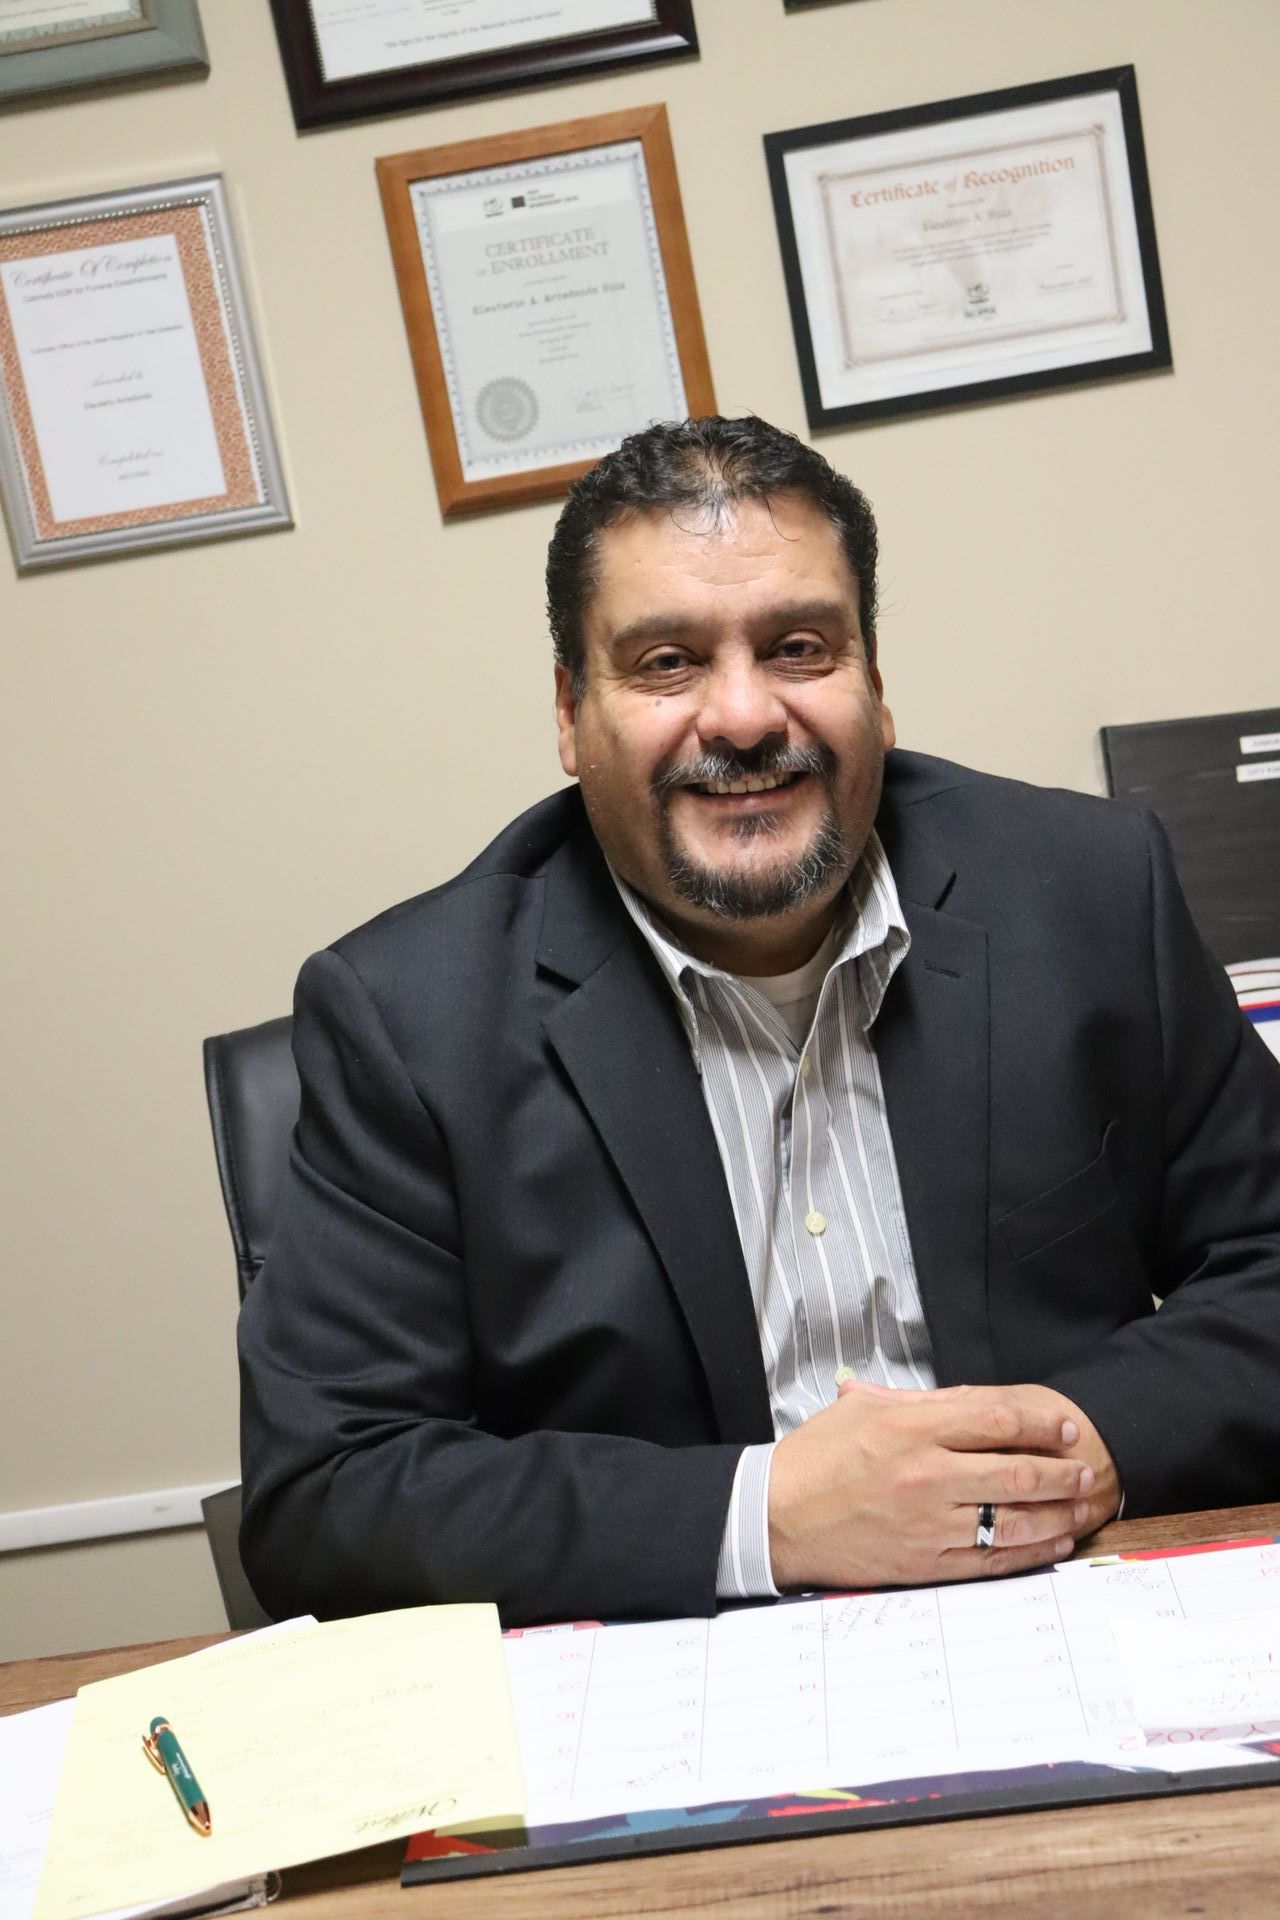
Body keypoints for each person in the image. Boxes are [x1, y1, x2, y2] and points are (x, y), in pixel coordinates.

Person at [238, 415, 1280, 1627]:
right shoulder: (410, 1019)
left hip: (1061, 1608)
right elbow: (328, 1489)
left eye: (797, 648)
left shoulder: (1088, 893)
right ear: (570, 715)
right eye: (665, 662)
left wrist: (1076, 1445)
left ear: (873, 685)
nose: (741, 717)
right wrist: (765, 1513)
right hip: (683, 1659)